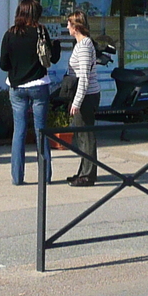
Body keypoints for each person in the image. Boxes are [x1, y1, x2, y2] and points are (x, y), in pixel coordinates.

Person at [0, 0, 51, 186]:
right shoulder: (41, 32)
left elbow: (2, 64)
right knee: (41, 130)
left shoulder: (10, 34)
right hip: (39, 84)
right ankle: (44, 177)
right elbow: (50, 57)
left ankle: (17, 177)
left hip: (17, 87)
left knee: (19, 131)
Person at [64, 10, 101, 187]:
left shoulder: (85, 45)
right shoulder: (80, 44)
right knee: (81, 135)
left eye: (69, 24)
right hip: (83, 94)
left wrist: (77, 102)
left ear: (76, 26)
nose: (67, 27)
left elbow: (84, 76)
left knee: (86, 136)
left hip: (87, 95)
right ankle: (83, 171)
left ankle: (88, 175)